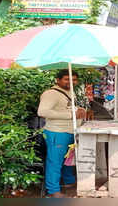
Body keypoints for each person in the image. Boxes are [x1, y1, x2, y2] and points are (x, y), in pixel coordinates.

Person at [37, 69, 86, 198]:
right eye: (67, 79)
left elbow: (66, 108)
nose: (71, 82)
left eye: (74, 79)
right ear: (58, 80)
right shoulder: (51, 94)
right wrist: (71, 114)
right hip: (57, 132)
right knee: (55, 162)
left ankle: (69, 182)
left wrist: (79, 111)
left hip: (69, 131)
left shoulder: (69, 92)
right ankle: (53, 191)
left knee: (68, 160)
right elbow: (42, 112)